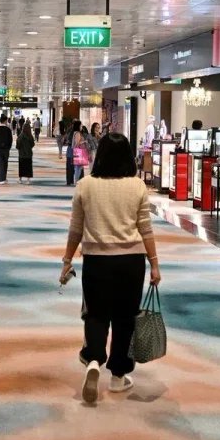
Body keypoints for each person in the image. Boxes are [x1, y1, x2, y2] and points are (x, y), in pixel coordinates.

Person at [59, 132, 161, 405]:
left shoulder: (85, 185)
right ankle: (118, 376)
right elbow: (145, 229)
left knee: (96, 314)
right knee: (125, 318)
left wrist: (67, 261)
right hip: (130, 261)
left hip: (96, 260)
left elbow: (75, 230)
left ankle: (93, 360)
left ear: (99, 156)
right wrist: (154, 264)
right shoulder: (137, 186)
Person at [0, 115, 13, 184]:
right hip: (6, 149)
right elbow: (10, 140)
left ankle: (1, 179)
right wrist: (8, 148)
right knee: (5, 163)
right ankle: (3, 178)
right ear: (5, 121)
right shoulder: (8, 129)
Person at [66, 120, 81, 185]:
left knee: (72, 167)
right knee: (77, 167)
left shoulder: (71, 131)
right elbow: (77, 143)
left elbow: (68, 140)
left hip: (71, 150)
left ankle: (70, 181)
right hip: (75, 151)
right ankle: (76, 181)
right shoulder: (76, 133)